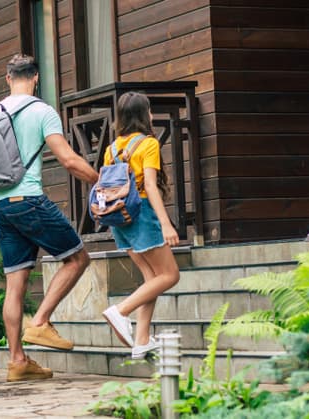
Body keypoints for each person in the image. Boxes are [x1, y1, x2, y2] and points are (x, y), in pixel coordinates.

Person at [0, 54, 99, 382]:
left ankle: (17, 361)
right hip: (29, 201)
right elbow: (67, 159)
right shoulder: (41, 111)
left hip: (0, 207)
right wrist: (99, 179)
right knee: (77, 258)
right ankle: (40, 323)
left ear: (8, 79)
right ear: (35, 78)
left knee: (15, 284)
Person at [99, 92, 181, 359]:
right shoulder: (148, 144)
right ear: (145, 114)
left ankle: (142, 340)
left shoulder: (111, 149)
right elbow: (149, 186)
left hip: (119, 218)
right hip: (142, 214)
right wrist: (167, 224)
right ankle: (121, 311)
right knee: (170, 276)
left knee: (151, 278)